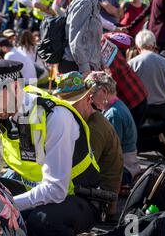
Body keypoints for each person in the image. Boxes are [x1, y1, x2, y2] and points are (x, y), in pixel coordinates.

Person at [0, 60, 101, 236]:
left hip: (79, 198)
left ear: (15, 87)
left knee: (42, 220)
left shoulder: (55, 116)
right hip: (35, 190)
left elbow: (56, 190)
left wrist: (8, 205)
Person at [53, 71, 123, 219]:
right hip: (92, 190)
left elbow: (77, 173)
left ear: (87, 99)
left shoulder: (93, 130)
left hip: (100, 201)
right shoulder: (86, 121)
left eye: (72, 105)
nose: (66, 110)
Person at [86, 71, 142, 187]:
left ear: (104, 91)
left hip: (124, 171)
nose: (90, 100)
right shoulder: (117, 105)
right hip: (130, 166)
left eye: (91, 95)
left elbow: (108, 151)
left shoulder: (113, 114)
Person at [61, 0, 105, 75]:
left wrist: (101, 62)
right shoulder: (84, 3)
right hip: (77, 69)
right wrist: (85, 70)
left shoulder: (90, 2)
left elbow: (91, 41)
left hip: (87, 66)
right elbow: (75, 40)